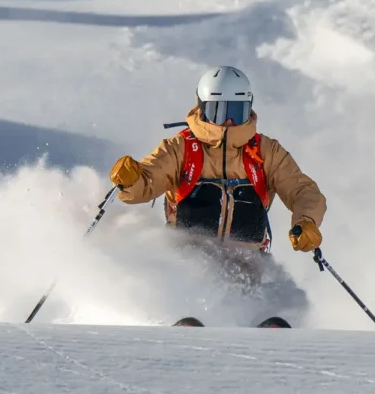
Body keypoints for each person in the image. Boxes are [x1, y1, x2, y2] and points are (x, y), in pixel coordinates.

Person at [108, 65, 326, 259]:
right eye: (219, 111)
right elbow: (147, 181)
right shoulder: (181, 148)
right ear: (203, 109)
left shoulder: (266, 152)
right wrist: (131, 180)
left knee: (273, 298)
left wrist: (306, 221)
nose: (228, 121)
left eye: (236, 111)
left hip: (248, 263)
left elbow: (302, 190)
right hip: (185, 262)